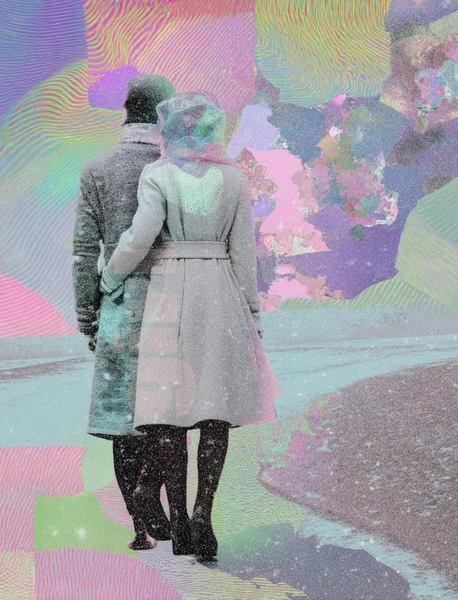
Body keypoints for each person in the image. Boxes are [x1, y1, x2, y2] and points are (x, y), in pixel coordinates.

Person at [100, 92, 281, 561]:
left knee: (170, 412)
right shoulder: (234, 179)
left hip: (170, 292)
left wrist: (111, 275)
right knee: (214, 412)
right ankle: (205, 514)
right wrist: (252, 315)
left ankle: (178, 520)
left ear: (169, 131)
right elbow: (244, 255)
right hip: (220, 293)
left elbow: (140, 236)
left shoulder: (158, 175)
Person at [72, 74, 176, 550]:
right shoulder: (175, 167)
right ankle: (160, 503)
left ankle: (139, 527)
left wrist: (87, 315)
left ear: (126, 112)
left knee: (122, 423)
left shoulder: (97, 169)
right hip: (172, 299)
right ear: (164, 115)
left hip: (118, 303)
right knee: (167, 414)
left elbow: (83, 251)